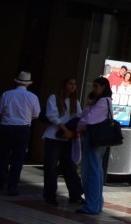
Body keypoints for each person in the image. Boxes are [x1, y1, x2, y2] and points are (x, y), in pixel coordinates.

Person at [0, 71, 41, 195]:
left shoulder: (6, 94)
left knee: (3, 155)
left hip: (6, 126)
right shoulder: (33, 97)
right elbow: (36, 115)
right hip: (22, 128)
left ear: (16, 81)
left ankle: (0, 181)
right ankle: (12, 186)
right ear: (28, 84)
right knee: (18, 158)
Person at [42, 77, 84, 206]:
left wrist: (72, 132)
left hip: (67, 138)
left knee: (70, 166)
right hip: (53, 137)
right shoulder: (54, 98)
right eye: (70, 84)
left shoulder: (74, 101)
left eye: (75, 84)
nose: (73, 86)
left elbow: (79, 117)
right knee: (51, 167)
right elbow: (51, 116)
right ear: (64, 85)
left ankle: (75, 195)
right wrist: (64, 129)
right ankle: (50, 196)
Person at [76, 76, 114, 214]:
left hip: (94, 139)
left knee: (90, 172)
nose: (94, 89)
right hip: (100, 139)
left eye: (96, 86)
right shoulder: (107, 101)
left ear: (103, 87)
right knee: (96, 171)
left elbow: (89, 119)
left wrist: (79, 126)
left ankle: (91, 205)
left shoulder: (103, 101)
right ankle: (96, 204)